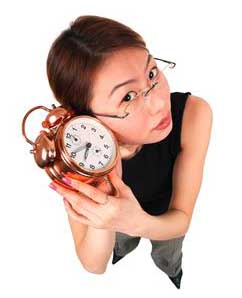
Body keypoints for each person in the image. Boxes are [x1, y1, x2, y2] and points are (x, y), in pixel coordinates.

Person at [47, 15, 213, 289]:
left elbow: (180, 218)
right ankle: (124, 250)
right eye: (127, 96)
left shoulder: (194, 114)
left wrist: (139, 223)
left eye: (151, 73)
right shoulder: (77, 157)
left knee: (168, 253)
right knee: (121, 243)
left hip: (167, 214)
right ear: (87, 119)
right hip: (120, 219)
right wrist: (107, 208)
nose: (159, 103)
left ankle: (171, 270)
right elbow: (93, 264)